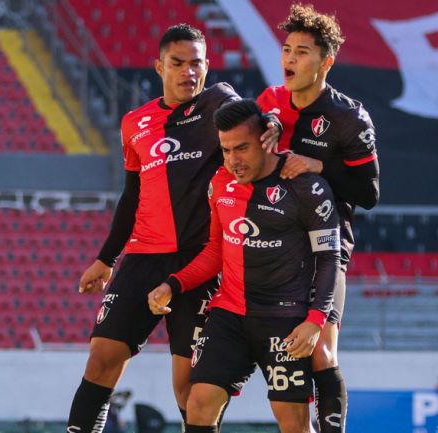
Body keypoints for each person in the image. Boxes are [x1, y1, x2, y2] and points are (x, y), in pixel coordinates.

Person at [67, 24, 281, 433]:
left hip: (198, 265)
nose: (188, 72)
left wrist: (270, 121)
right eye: (178, 63)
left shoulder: (219, 102)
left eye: (196, 63)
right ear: (158, 66)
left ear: (207, 66)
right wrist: (105, 258)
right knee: (101, 360)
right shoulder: (135, 123)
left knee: (188, 389)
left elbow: (254, 119)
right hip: (143, 258)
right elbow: (132, 195)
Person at [148, 99, 342, 433]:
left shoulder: (307, 188)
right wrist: (173, 283)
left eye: (242, 148)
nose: (233, 161)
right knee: (199, 402)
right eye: (225, 150)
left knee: (294, 423)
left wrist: (314, 321)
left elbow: (329, 259)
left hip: (285, 322)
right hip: (230, 316)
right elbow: (215, 250)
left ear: (266, 140)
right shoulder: (220, 183)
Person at [256, 4, 380, 432]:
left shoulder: (349, 117)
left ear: (326, 61)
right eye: (287, 49)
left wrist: (318, 165)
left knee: (321, 352)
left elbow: (369, 192)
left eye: (302, 52)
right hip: (267, 244)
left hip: (324, 246)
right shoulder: (270, 100)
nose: (290, 59)